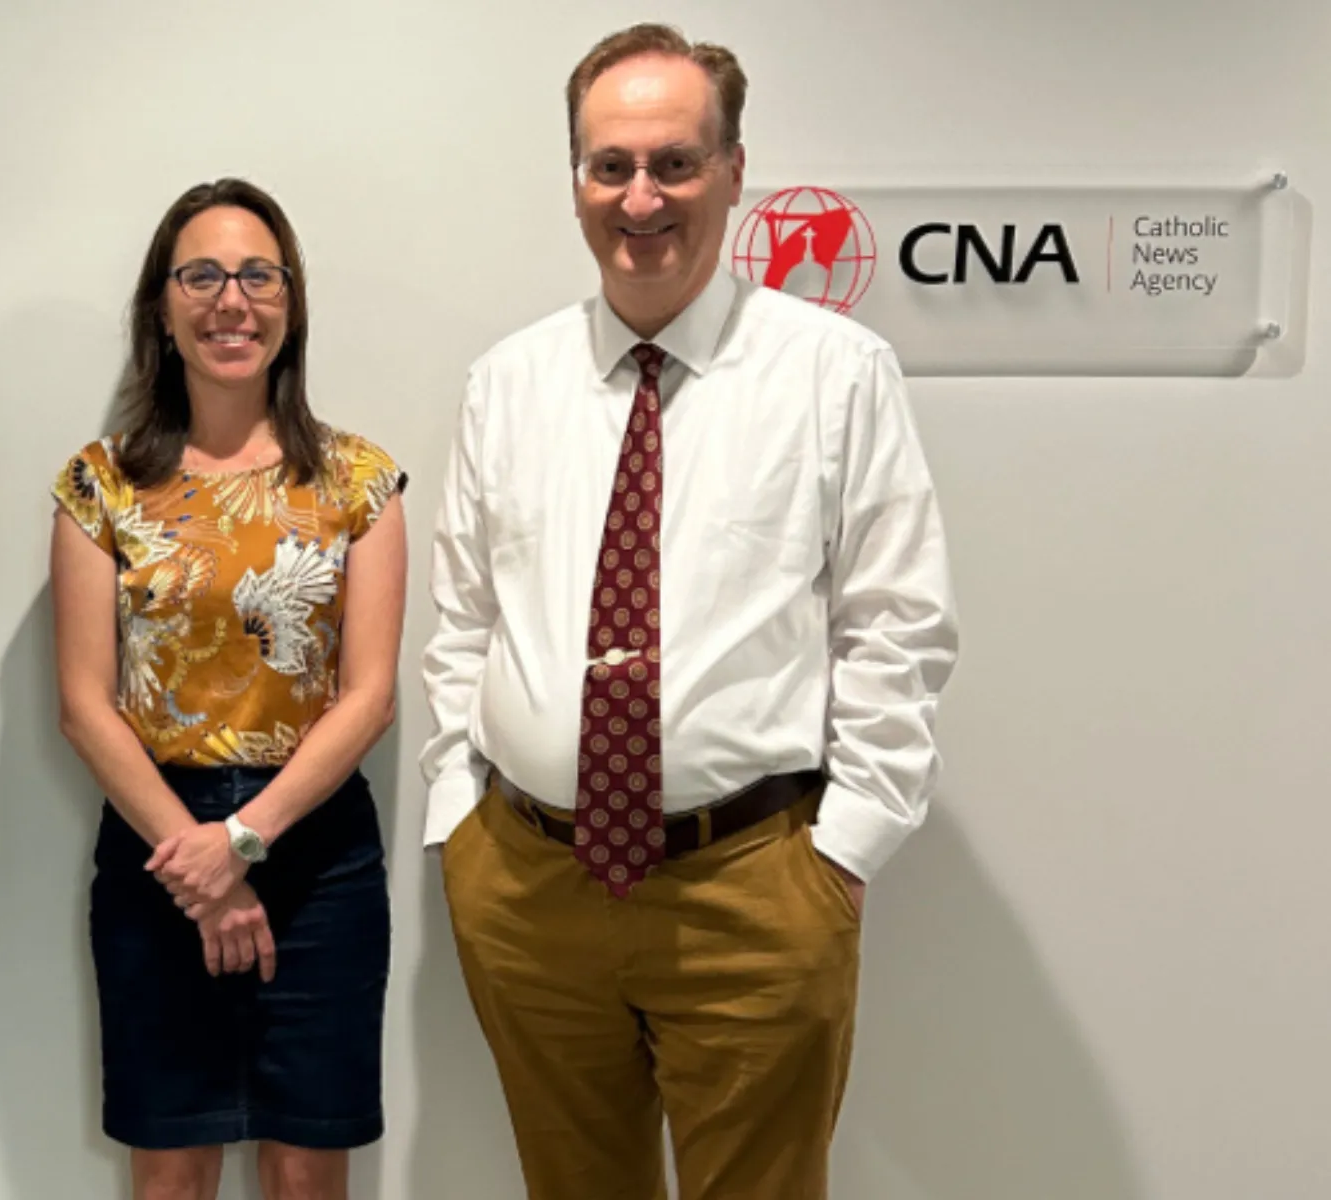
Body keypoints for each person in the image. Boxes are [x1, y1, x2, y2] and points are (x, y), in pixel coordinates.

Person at [418, 24, 958, 1200]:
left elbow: (897, 627)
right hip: (528, 889)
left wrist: (843, 856)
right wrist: (457, 821)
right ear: (575, 180)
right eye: (610, 165)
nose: (641, 196)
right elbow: (463, 616)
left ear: (733, 170)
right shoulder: (507, 384)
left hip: (752, 894)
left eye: (675, 162)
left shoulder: (834, 374)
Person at [50, 178, 407, 1200]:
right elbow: (84, 703)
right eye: (199, 275)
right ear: (161, 305)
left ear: (291, 302)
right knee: (172, 1168)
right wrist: (198, 863)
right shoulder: (100, 483)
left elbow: (368, 696)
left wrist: (243, 842)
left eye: (258, 275)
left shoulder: (358, 480)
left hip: (316, 847)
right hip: (156, 841)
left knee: (305, 1169)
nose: (230, 301)